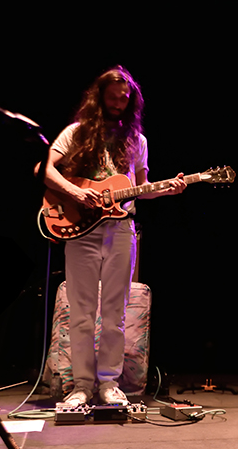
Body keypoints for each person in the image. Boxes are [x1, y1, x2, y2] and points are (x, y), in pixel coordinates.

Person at [34, 66, 187, 407]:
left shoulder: (137, 140)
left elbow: (140, 188)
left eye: (125, 98)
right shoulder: (75, 133)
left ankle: (108, 383)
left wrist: (167, 190)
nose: (119, 103)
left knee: (115, 312)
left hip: (121, 229)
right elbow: (44, 170)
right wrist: (74, 192)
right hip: (80, 230)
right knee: (82, 312)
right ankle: (81, 385)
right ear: (100, 96)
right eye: (113, 96)